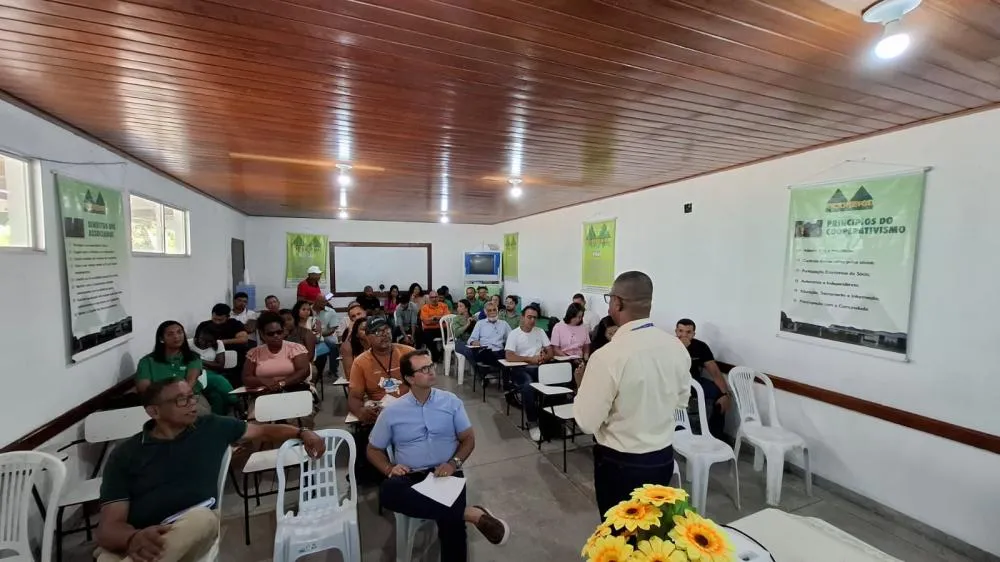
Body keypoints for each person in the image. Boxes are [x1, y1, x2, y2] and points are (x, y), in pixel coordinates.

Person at [95, 380, 325, 562]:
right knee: (107, 555)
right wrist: (132, 538)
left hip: (193, 525)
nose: (192, 403)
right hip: (141, 535)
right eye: (181, 400)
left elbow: (263, 431)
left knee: (202, 519)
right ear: (154, 411)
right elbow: (109, 527)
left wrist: (302, 432)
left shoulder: (212, 427)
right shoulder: (125, 454)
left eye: (192, 396)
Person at [368, 350, 510, 561]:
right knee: (388, 491)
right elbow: (372, 449)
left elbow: (468, 439)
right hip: (411, 475)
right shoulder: (392, 411)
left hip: (446, 473)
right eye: (424, 369)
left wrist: (453, 463)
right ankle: (469, 513)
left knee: (452, 530)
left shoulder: (451, 402)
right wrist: (389, 468)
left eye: (431, 365)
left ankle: (457, 514)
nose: (431, 371)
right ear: (409, 378)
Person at [573, 271, 692, 517]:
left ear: (617, 303)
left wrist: (582, 385)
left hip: (621, 463)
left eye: (609, 299)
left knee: (618, 533)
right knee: (650, 530)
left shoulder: (608, 356)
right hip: (662, 458)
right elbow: (681, 402)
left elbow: (586, 422)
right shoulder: (676, 347)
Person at [135, 321, 211, 415]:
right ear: (161, 339)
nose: (176, 336)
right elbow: (144, 388)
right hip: (159, 402)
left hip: (190, 398)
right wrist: (166, 401)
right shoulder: (147, 361)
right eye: (170, 334)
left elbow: (190, 383)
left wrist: (178, 400)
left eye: (179, 332)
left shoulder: (193, 358)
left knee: (203, 414)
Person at [504, 304, 554, 441]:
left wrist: (544, 357)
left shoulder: (540, 331)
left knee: (557, 382)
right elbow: (509, 356)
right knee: (528, 385)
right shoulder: (514, 334)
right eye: (529, 317)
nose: (532, 320)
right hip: (521, 368)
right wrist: (529, 359)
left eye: (535, 318)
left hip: (539, 367)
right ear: (522, 317)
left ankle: (553, 421)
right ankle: (532, 422)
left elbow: (550, 351)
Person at [675, 319, 732, 439]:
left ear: (693, 334)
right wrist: (681, 348)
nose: (684, 335)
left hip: (695, 382)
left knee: (719, 395)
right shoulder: (668, 345)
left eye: (688, 332)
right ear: (676, 331)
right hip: (674, 383)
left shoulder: (701, 346)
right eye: (680, 331)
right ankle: (679, 436)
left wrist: (725, 393)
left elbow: (714, 371)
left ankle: (716, 437)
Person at [242, 311, 312, 396]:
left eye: (279, 332)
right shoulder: (254, 353)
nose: (276, 336)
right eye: (271, 334)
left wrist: (281, 383)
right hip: (264, 393)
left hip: (294, 390)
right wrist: (263, 381)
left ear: (284, 331)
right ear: (262, 334)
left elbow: (304, 371)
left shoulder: (295, 348)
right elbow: (246, 378)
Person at [189, 322, 236, 415]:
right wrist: (205, 364)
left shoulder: (218, 344)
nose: (206, 343)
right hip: (195, 375)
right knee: (220, 381)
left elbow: (220, 365)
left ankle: (219, 420)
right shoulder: (188, 344)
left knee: (216, 397)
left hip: (211, 374)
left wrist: (199, 361)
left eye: (210, 341)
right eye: (203, 340)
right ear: (197, 335)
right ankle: (236, 402)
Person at [461, 302, 511, 370]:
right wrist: (473, 342)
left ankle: (501, 369)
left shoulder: (504, 324)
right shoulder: (480, 323)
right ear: (485, 312)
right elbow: (471, 339)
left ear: (497, 311)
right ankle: (502, 368)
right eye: (489, 310)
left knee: (507, 355)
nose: (492, 312)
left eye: (494, 310)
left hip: (500, 351)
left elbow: (511, 338)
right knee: (489, 355)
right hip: (486, 351)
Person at [418, 290, 450, 362]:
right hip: (429, 329)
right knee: (426, 338)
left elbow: (447, 318)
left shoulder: (444, 306)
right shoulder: (425, 307)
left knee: (450, 336)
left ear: (438, 297)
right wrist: (440, 319)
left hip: (442, 328)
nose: (434, 299)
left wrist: (434, 318)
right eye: (432, 297)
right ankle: (437, 355)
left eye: (436, 297)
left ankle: (445, 354)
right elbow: (426, 322)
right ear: (429, 298)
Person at [314, 293, 340, 374]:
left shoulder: (331, 311)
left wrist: (320, 335)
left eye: (325, 301)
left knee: (333, 345)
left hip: (325, 335)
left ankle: (333, 370)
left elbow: (332, 329)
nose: (324, 304)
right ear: (316, 301)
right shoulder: (308, 310)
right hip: (309, 335)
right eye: (322, 302)